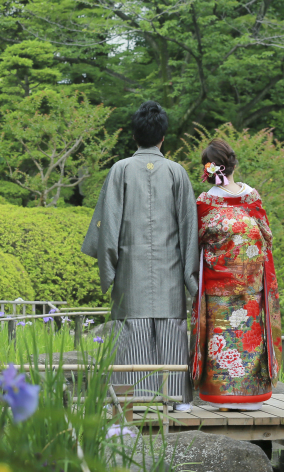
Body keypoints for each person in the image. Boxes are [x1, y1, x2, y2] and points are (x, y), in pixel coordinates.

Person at [81, 101, 199, 412]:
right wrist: (191, 278)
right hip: (170, 272)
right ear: (163, 137)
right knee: (172, 331)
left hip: (130, 272)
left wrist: (109, 268)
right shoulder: (176, 172)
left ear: (135, 136)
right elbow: (190, 228)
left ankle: (130, 399)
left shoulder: (120, 170)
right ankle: (178, 400)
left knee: (130, 333)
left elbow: (108, 225)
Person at [190, 139, 283, 411]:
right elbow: (267, 236)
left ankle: (224, 398)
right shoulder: (251, 197)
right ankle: (251, 397)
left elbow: (195, 241)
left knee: (222, 341)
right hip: (252, 285)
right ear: (233, 165)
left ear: (208, 169)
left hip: (218, 287)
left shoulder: (206, 202)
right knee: (249, 338)